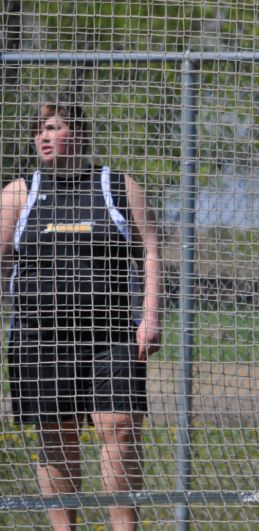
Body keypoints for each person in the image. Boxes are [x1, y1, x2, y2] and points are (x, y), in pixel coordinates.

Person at [0, 101, 161, 531]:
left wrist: (150, 316)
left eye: (55, 127)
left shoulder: (117, 185)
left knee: (121, 429)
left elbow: (149, 250)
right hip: (41, 337)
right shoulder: (19, 192)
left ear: (80, 134)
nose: (45, 136)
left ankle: (123, 526)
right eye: (40, 130)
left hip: (109, 333)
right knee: (56, 436)